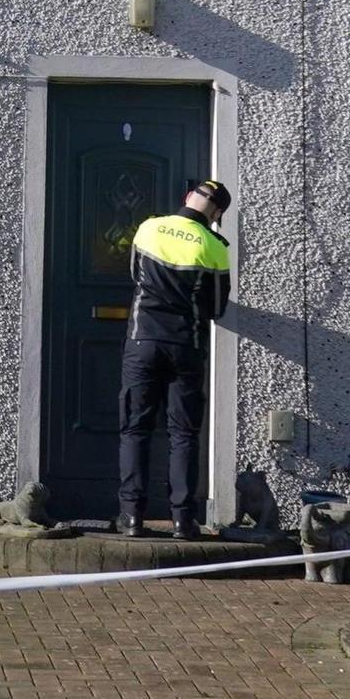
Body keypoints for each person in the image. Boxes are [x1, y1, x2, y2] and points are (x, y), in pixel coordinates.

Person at [118, 179, 232, 541]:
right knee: (183, 433)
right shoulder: (214, 247)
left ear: (187, 198)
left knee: (136, 429)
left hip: (143, 340)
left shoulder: (149, 228)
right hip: (186, 345)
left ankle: (131, 517)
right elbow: (216, 307)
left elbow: (135, 275)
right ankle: (184, 521)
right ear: (216, 214)